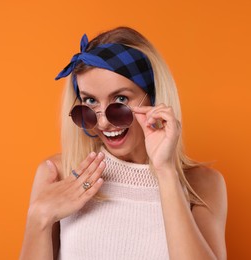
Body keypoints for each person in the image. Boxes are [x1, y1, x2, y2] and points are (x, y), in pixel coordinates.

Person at [20, 27, 227, 260]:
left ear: (154, 97)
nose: (104, 122)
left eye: (120, 99)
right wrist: (39, 217)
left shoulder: (202, 185)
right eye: (90, 101)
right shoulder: (59, 173)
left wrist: (165, 171)